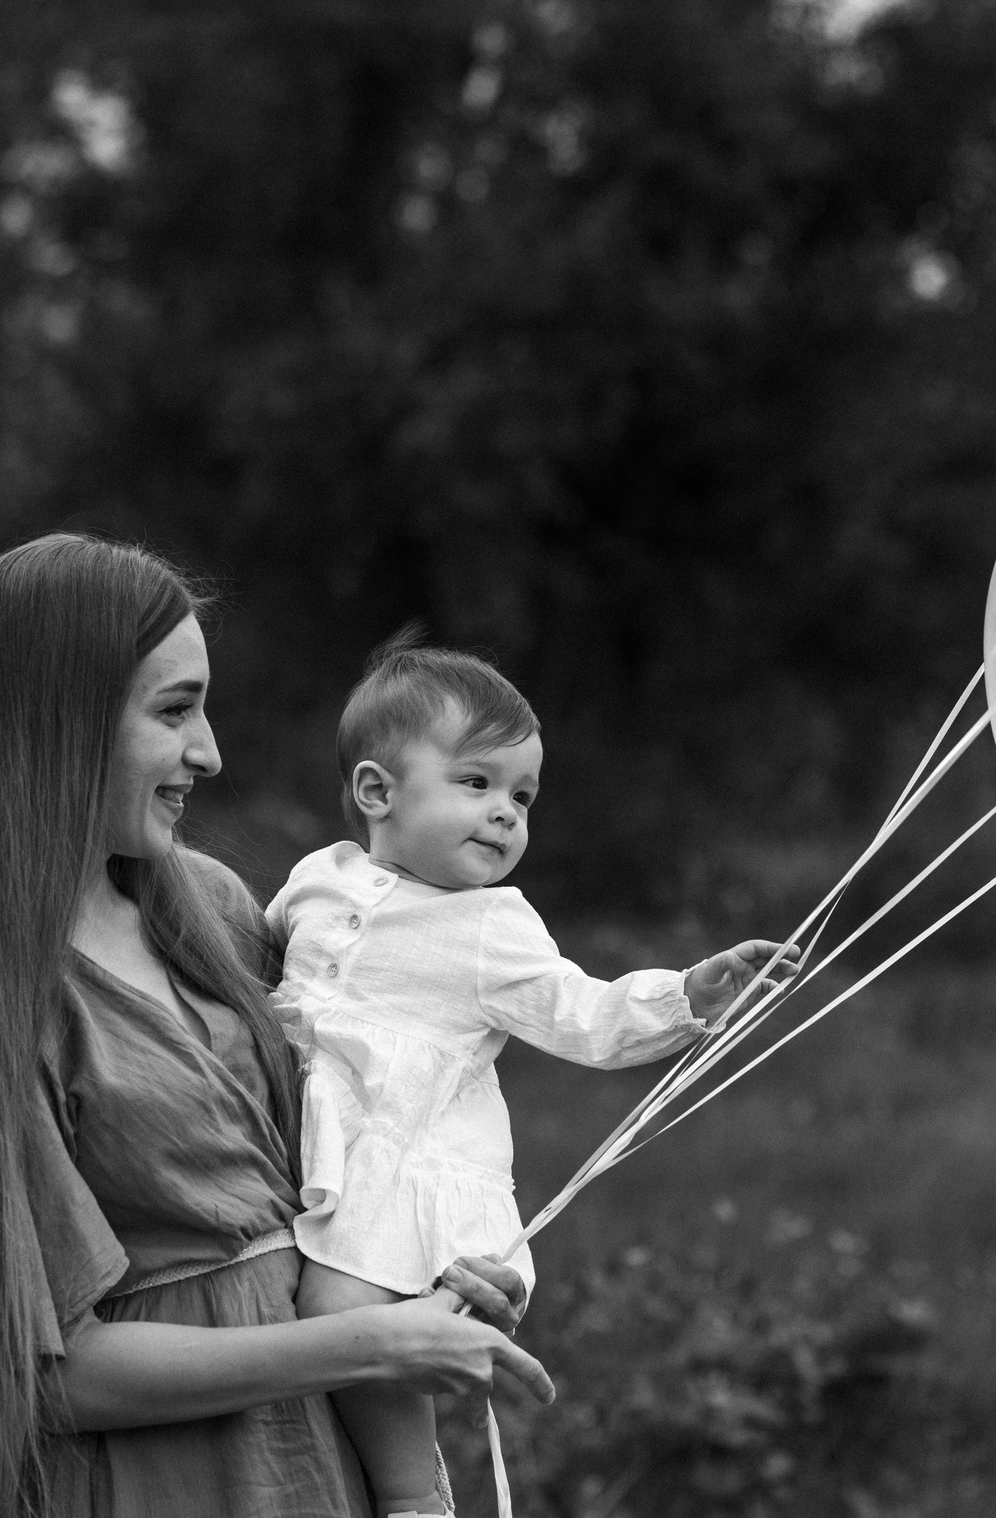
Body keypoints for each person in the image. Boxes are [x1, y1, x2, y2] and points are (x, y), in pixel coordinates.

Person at [0, 534, 551, 1518]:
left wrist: (422, 1273)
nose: (209, 752)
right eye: (174, 710)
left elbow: (343, 1140)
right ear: (59, 719)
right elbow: (46, 1375)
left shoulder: (214, 909)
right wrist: (372, 1345)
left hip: (313, 1465)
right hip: (153, 1484)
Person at [270, 629, 792, 1517]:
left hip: (400, 1174)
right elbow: (260, 956)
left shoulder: (492, 925)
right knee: (302, 1311)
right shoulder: (321, 877)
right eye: (476, 783)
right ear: (376, 790)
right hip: (313, 1137)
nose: (508, 812)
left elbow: (583, 1014)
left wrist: (685, 994)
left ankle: (415, 1496)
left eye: (523, 794)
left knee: (340, 1301)